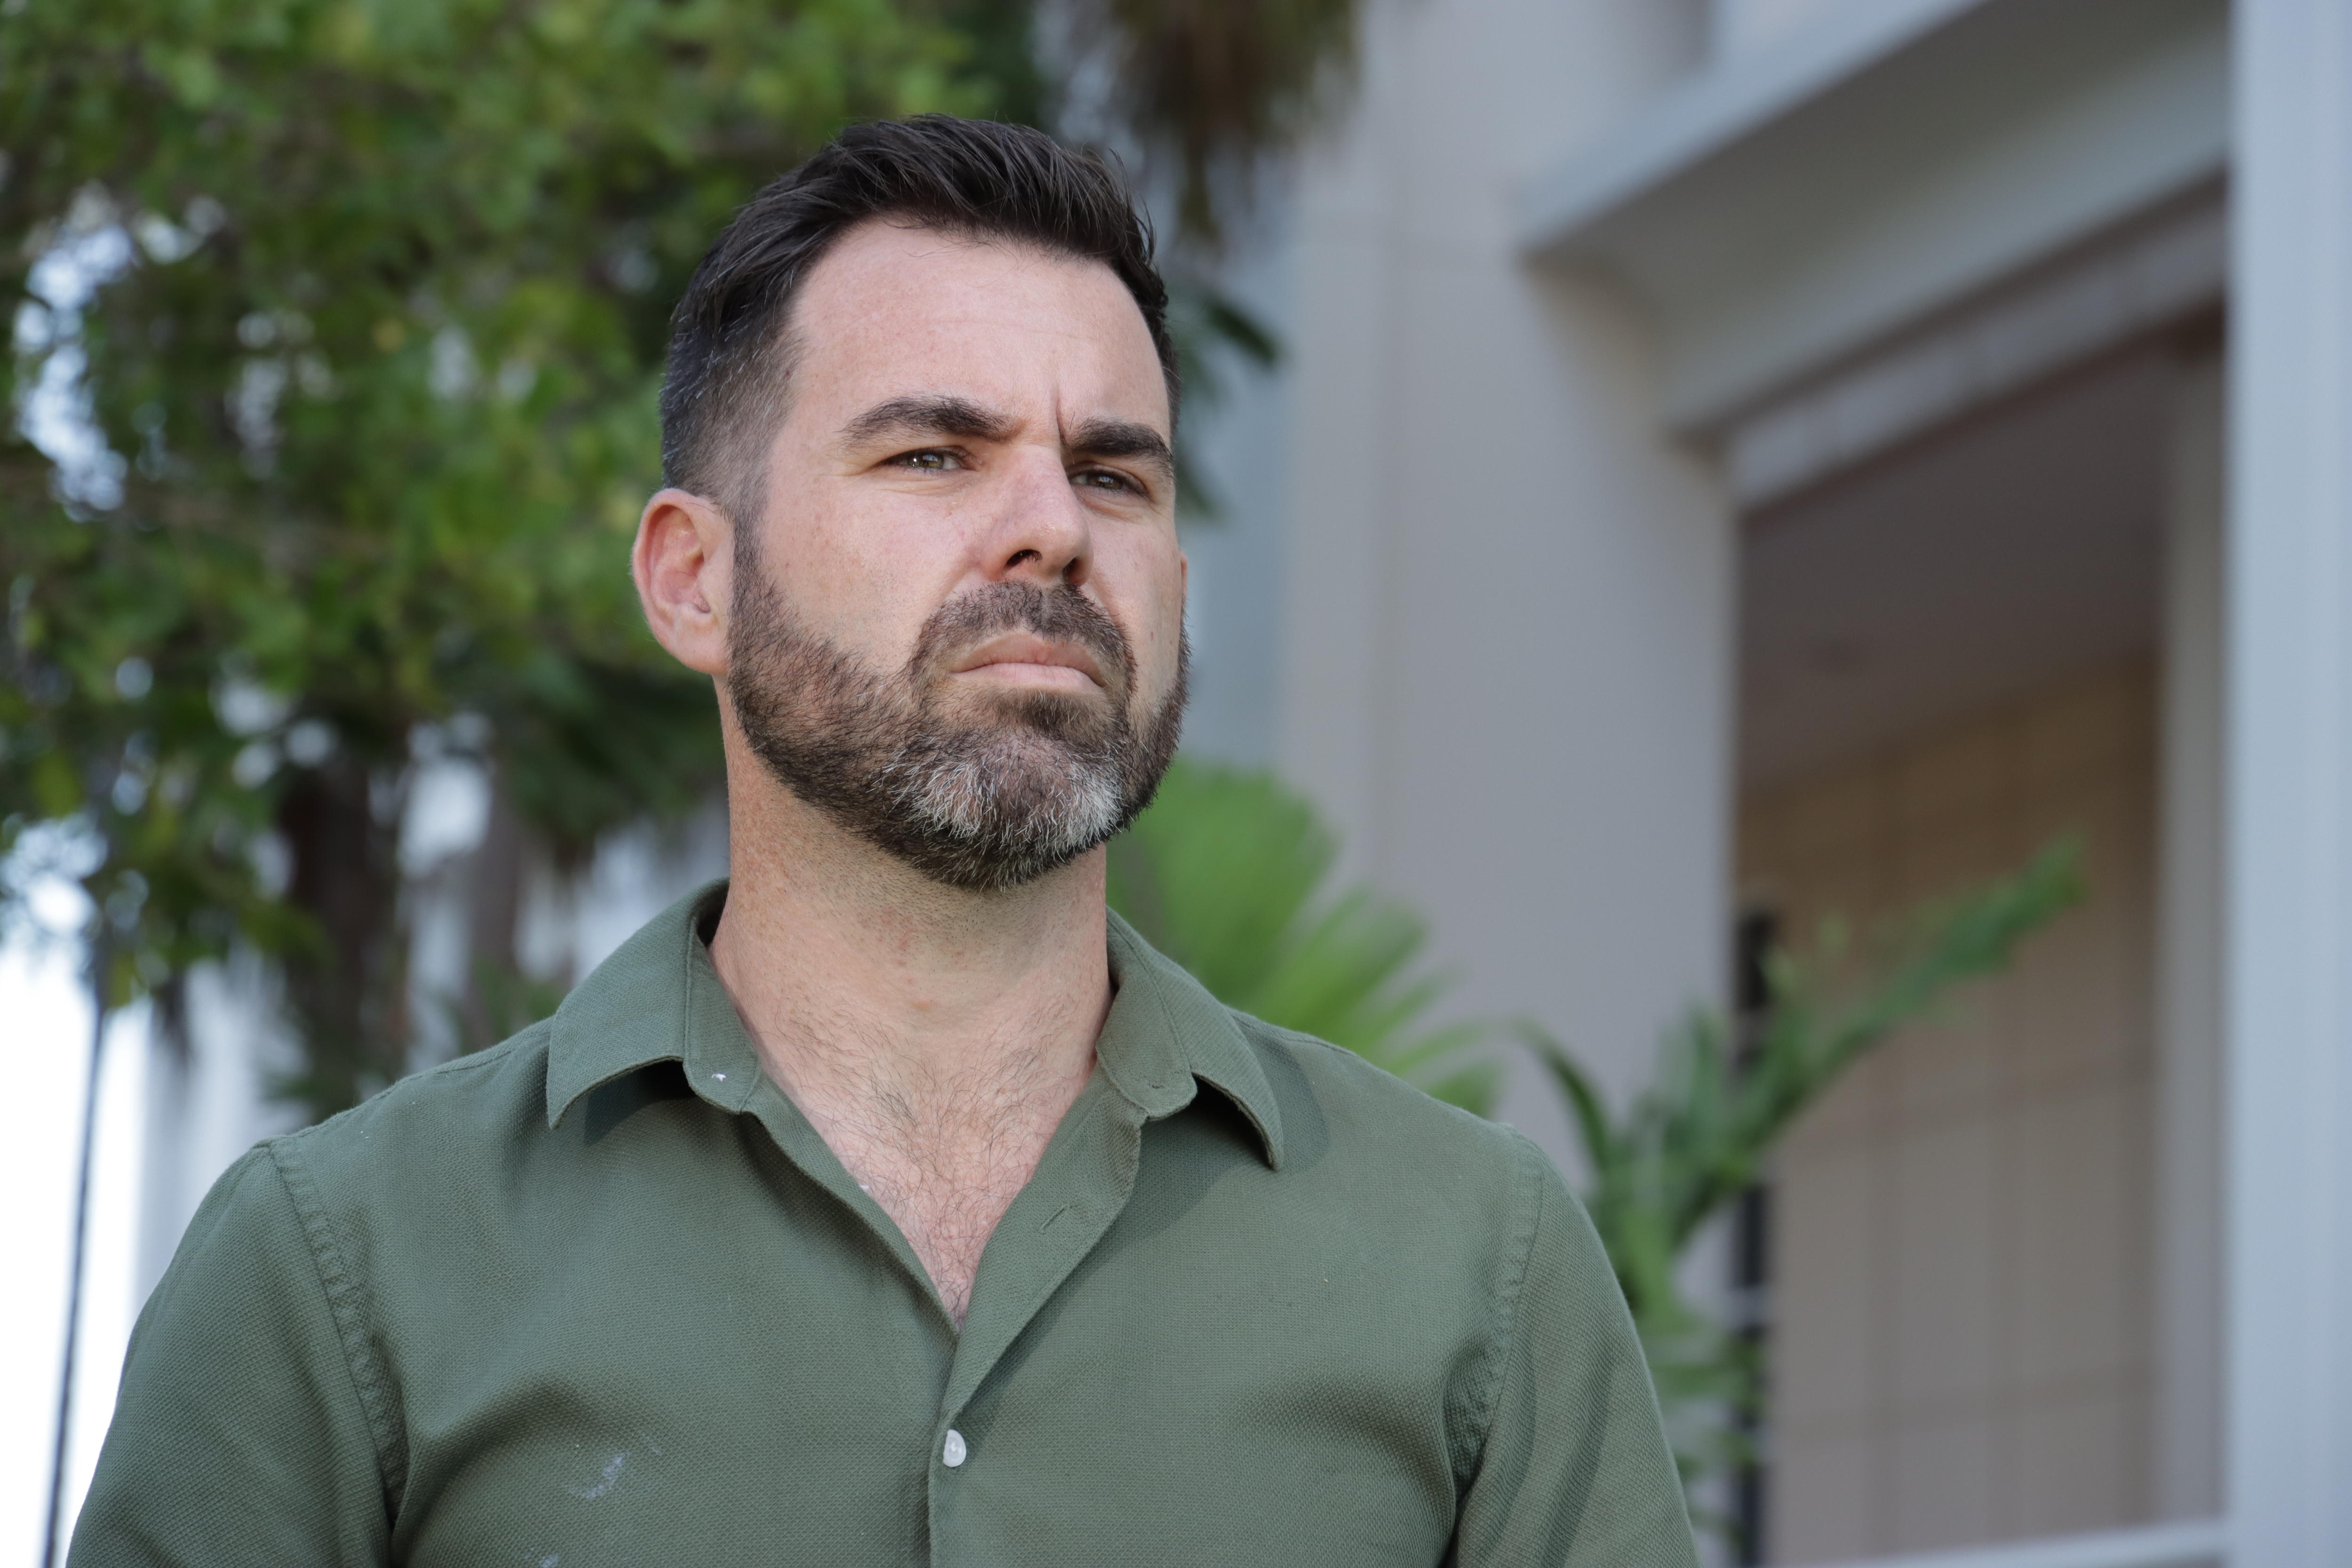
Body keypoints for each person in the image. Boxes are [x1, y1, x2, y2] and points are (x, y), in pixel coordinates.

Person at [70, 116, 1696, 1568]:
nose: (1055, 524)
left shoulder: (1474, 1256)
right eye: (934, 453)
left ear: (1179, 586)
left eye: (1115, 475)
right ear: (693, 580)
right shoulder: (336, 1268)